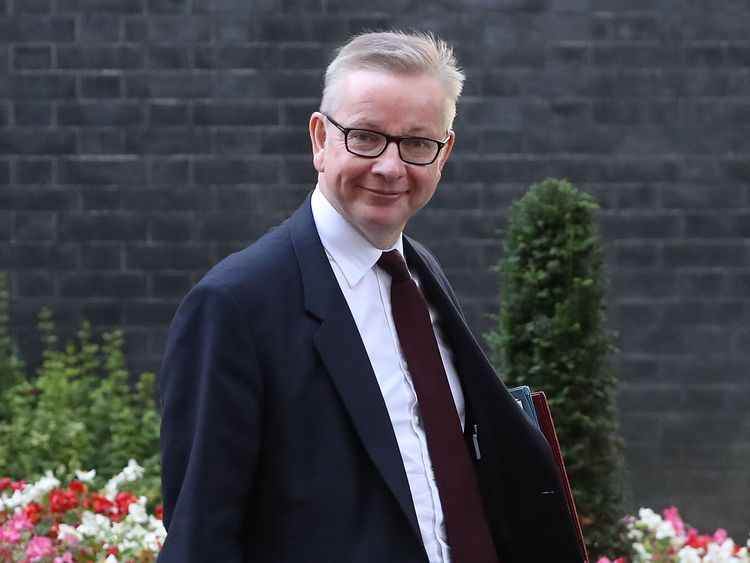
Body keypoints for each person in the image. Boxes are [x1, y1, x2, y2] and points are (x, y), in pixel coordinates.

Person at [158, 30, 584, 563]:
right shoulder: (234, 307)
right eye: (365, 136)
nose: (389, 166)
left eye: (416, 143)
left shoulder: (422, 275)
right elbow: (202, 538)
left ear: (443, 154)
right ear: (320, 139)